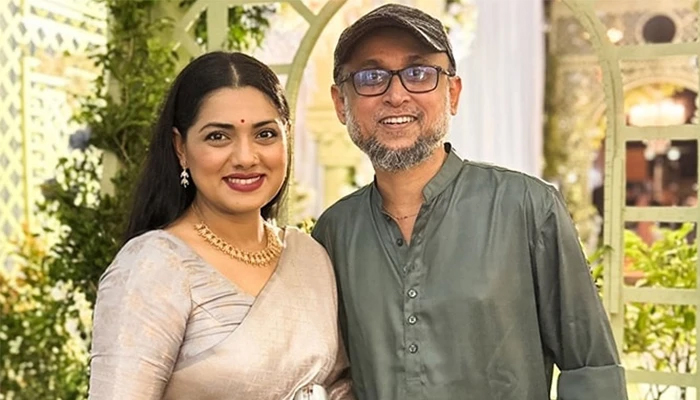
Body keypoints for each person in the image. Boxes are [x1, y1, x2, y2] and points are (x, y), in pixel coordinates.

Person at [311, 4, 627, 399]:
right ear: (341, 103)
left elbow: (592, 372)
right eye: (371, 77)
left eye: (419, 73)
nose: (396, 94)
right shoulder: (335, 232)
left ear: (453, 93)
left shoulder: (527, 208)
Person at [89, 51, 352, 400]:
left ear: (287, 138)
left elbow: (339, 385)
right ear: (180, 148)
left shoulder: (309, 256)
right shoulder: (154, 265)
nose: (245, 157)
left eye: (265, 134)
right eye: (218, 137)